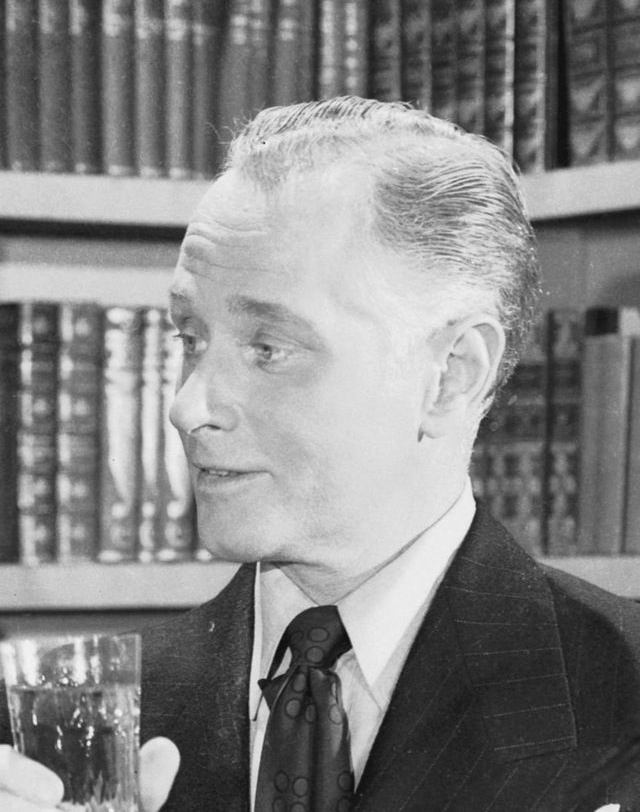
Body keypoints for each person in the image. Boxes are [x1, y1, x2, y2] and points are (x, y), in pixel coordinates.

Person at [2, 96, 640, 812]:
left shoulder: (622, 697)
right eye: (191, 338)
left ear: (452, 373)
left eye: (268, 348)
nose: (187, 406)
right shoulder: (47, 739)